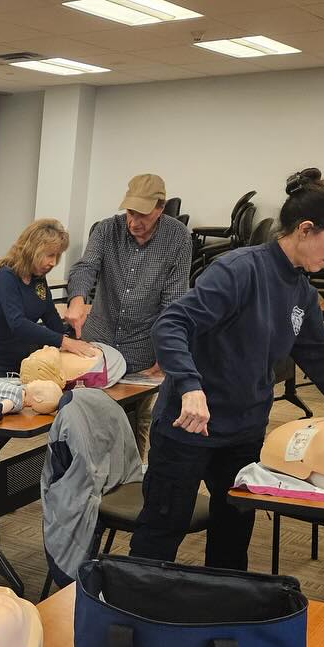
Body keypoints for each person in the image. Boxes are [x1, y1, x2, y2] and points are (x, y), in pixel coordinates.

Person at [131, 168, 324, 570]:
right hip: (189, 429)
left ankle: (218, 619)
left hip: (242, 433)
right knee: (162, 531)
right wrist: (190, 387)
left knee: (232, 540)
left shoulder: (303, 292)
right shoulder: (239, 270)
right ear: (307, 229)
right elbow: (172, 323)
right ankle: (134, 617)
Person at [0, 219, 95, 518]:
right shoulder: (6, 277)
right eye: (49, 255)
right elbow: (18, 324)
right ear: (33, 248)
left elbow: (52, 321)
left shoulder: (40, 282)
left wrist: (74, 340)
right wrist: (62, 343)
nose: (52, 263)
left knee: (4, 428)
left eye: (57, 257)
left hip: (17, 368)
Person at [64, 174, 191, 457]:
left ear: (160, 208)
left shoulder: (178, 238)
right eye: (131, 212)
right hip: (100, 343)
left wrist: (167, 347)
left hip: (143, 346)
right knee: (89, 416)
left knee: (138, 419)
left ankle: (130, 483)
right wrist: (76, 300)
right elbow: (85, 268)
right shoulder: (107, 230)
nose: (134, 222)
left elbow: (174, 300)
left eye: (143, 214)